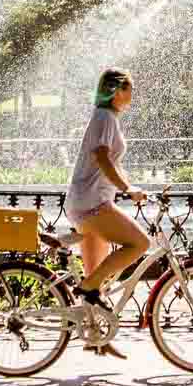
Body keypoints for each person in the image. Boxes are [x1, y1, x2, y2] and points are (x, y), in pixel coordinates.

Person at [63, 69, 149, 359]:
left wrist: (130, 186)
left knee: (96, 277)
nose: (132, 96)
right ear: (117, 90)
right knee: (140, 244)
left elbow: (108, 160)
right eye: (130, 89)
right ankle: (86, 288)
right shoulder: (104, 117)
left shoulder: (105, 118)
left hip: (86, 201)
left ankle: (96, 337)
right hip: (92, 203)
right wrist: (127, 188)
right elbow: (101, 156)